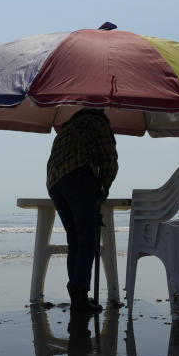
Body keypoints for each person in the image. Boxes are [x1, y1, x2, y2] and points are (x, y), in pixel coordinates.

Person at [47, 108, 118, 312]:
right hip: (77, 177)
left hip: (54, 183)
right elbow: (110, 162)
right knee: (88, 237)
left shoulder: (66, 129)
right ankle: (79, 291)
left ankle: (77, 293)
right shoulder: (98, 123)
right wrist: (102, 191)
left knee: (75, 238)